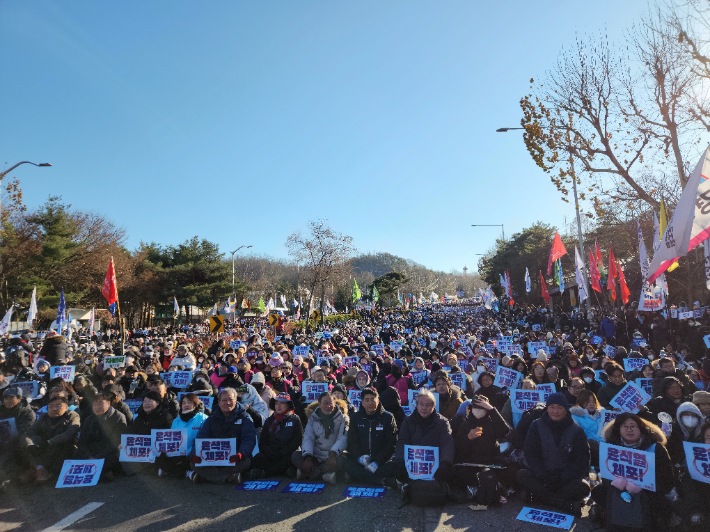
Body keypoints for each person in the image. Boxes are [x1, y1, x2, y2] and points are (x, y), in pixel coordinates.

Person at [589, 413, 674, 530]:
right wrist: (616, 483)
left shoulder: (656, 448)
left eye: (633, 426)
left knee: (661, 503)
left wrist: (643, 487)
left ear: (641, 428)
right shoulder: (610, 447)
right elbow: (606, 476)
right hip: (618, 491)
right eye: (625, 426)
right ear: (618, 429)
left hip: (648, 494)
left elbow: (667, 481)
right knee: (599, 491)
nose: (629, 430)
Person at [516, 393, 590, 516]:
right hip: (542, 477)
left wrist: (562, 479)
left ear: (566, 410)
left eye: (560, 408)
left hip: (564, 480)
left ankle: (537, 497)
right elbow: (530, 453)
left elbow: (581, 460)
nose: (555, 411)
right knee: (521, 475)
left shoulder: (577, 430)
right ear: (547, 408)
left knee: (583, 487)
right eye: (552, 407)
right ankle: (562, 503)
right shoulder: (536, 425)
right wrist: (542, 475)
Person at [396, 389, 455, 500]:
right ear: (416, 405)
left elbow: (447, 444)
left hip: (435, 466)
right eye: (421, 404)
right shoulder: (408, 421)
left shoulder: (442, 422)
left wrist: (445, 463)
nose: (424, 408)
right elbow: (402, 442)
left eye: (428, 405)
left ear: (434, 406)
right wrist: (400, 461)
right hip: (413, 466)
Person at [452, 395, 511, 506]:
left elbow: (505, 430)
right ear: (470, 409)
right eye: (476, 408)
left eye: (482, 408)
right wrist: (467, 438)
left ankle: (488, 487)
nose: (479, 411)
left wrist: (492, 410)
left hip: (490, 462)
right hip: (470, 463)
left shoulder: (492, 423)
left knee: (508, 470)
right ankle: (479, 487)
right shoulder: (465, 425)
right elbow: (458, 448)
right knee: (457, 473)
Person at [190, 388, 256, 485]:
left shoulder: (245, 417)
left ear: (236, 401)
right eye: (224, 400)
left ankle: (208, 476)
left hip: (234, 458)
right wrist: (195, 453)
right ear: (219, 402)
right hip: (213, 457)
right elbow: (201, 437)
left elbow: (249, 439)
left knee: (246, 462)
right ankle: (230, 477)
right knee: (193, 463)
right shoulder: (211, 418)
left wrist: (241, 454)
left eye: (230, 400)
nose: (227, 403)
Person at [21, 392, 80, 483]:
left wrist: (50, 442)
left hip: (64, 447)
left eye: (58, 406)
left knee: (59, 446)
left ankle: (45, 471)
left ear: (66, 407)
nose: (54, 409)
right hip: (45, 446)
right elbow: (29, 432)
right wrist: (30, 444)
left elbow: (70, 433)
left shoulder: (72, 415)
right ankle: (38, 468)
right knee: (28, 442)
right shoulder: (43, 417)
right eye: (51, 406)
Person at [343, 387, 398, 486]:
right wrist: (359, 458)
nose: (370, 403)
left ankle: (360, 477)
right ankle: (381, 480)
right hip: (361, 462)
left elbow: (392, 444)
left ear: (378, 400)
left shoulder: (388, 417)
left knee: (396, 465)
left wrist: (377, 462)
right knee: (346, 463)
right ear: (362, 402)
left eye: (373, 399)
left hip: (381, 462)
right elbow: (352, 441)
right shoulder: (355, 418)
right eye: (367, 400)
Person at [291, 391, 349, 484]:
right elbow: (308, 437)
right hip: (316, 454)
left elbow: (343, 438)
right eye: (325, 403)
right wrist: (308, 457)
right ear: (319, 404)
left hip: (333, 454)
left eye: (331, 403)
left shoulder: (343, 418)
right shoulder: (313, 417)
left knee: (344, 460)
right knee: (295, 455)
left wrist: (333, 454)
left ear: (335, 404)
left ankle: (309, 473)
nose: (328, 406)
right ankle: (324, 475)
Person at [250, 393, 303, 479]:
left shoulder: (295, 419)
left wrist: (282, 453)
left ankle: (266, 473)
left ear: (288, 405)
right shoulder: (269, 420)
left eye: (282, 403)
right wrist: (270, 452)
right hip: (271, 453)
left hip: (287, 453)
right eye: (276, 403)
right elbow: (263, 441)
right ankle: (285, 471)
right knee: (257, 459)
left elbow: (297, 440)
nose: (278, 406)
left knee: (291, 459)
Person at [77, 392, 128, 481]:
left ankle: (103, 472)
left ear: (108, 403)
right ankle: (102, 473)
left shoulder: (118, 417)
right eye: (94, 404)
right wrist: (89, 456)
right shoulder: (89, 419)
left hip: (109, 451)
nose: (97, 407)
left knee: (117, 455)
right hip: (92, 451)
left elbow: (116, 442)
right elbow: (82, 441)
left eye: (100, 403)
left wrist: (97, 458)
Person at [158, 393, 209, 478]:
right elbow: (172, 440)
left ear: (195, 404)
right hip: (179, 453)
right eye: (183, 403)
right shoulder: (176, 421)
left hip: (195, 452)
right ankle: (185, 473)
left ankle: (174, 471)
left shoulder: (203, 418)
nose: (186, 405)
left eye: (189, 402)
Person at [0, 387, 35, 484]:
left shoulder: (27, 412)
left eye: (11, 398)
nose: (8, 401)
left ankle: (30, 470)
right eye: (6, 398)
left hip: (18, 444)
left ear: (19, 399)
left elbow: (26, 431)